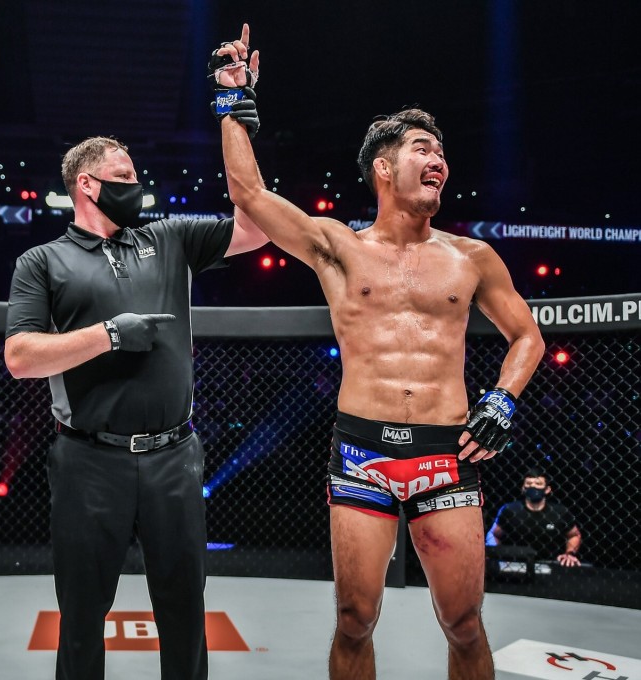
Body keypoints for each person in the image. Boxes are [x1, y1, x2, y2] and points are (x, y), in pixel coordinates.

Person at [214, 25, 545, 680]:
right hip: (363, 451)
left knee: (464, 623)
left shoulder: (472, 257)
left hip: (447, 454)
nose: (440, 159)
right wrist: (233, 104)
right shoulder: (340, 247)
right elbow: (250, 195)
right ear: (384, 168)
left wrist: (502, 400)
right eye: (424, 147)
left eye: (443, 151)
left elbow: (528, 335)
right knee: (353, 620)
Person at [4, 129, 268, 679]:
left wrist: (238, 121)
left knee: (183, 610)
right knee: (81, 613)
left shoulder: (167, 238)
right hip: (88, 458)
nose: (136, 186)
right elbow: (20, 357)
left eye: (135, 177)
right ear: (86, 184)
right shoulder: (43, 261)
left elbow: (257, 227)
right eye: (123, 177)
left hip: (174, 453)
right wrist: (108, 335)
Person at [487, 468, 582, 566]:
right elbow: (494, 534)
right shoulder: (509, 509)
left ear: (547, 489)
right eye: (529, 483)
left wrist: (569, 553)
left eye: (538, 484)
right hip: (515, 561)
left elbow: (574, 535)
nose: (533, 487)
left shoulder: (560, 512)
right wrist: (494, 553)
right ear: (523, 488)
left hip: (550, 563)